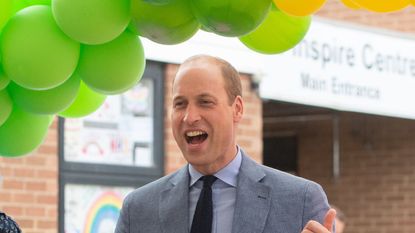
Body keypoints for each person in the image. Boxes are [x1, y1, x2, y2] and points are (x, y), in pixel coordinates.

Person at [115, 54, 332, 233]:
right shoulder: (139, 209)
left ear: (237, 109)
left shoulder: (299, 201)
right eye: (180, 104)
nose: (189, 117)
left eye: (205, 102)